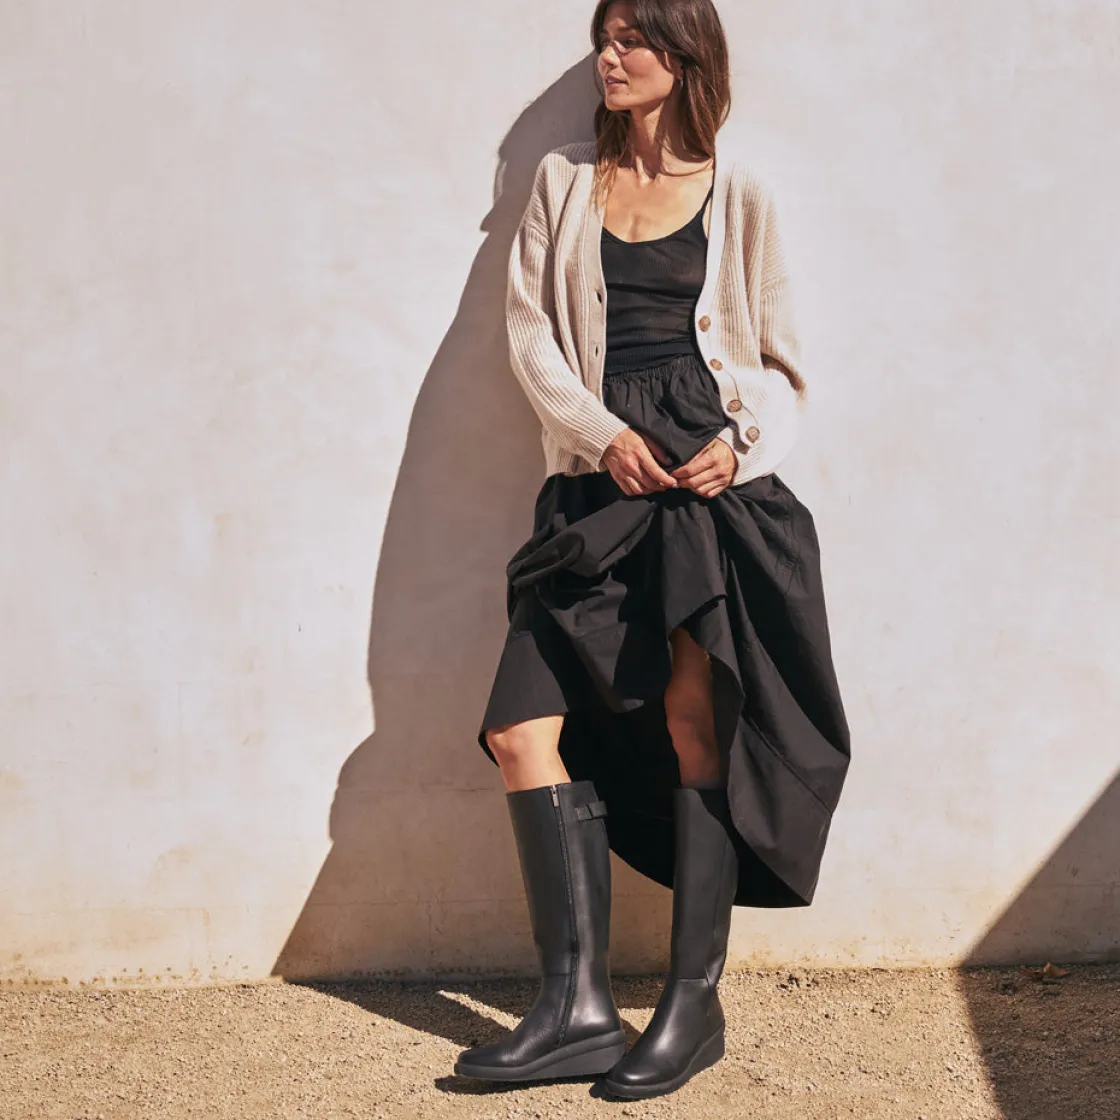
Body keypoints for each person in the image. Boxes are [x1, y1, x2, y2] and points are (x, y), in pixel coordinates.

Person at [453, 0, 851, 1100]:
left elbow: (780, 362)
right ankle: (576, 1009)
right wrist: (599, 436)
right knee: (520, 728)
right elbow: (530, 332)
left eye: (633, 38)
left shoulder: (740, 190)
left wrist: (740, 444)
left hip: (700, 489)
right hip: (598, 484)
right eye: (606, 36)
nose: (610, 54)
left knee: (691, 721)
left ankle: (691, 1000)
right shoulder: (562, 182)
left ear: (684, 57)